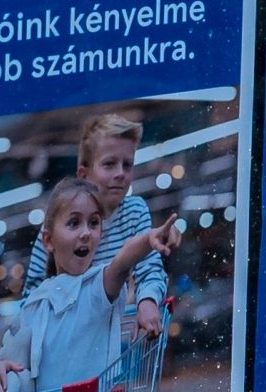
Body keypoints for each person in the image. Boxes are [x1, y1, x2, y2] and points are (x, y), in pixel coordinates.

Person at [0, 177, 171, 392]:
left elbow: (122, 260)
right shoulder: (36, 302)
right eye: (74, 224)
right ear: (48, 241)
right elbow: (15, 356)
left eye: (94, 223)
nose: (86, 233)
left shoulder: (97, 288)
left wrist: (148, 240)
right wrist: (1, 365)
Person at [27, 110, 170, 343]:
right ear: (83, 174)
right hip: (68, 341)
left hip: (115, 339)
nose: (120, 174)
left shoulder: (134, 211)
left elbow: (149, 268)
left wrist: (148, 301)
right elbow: (32, 292)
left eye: (127, 165)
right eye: (109, 164)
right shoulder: (57, 223)